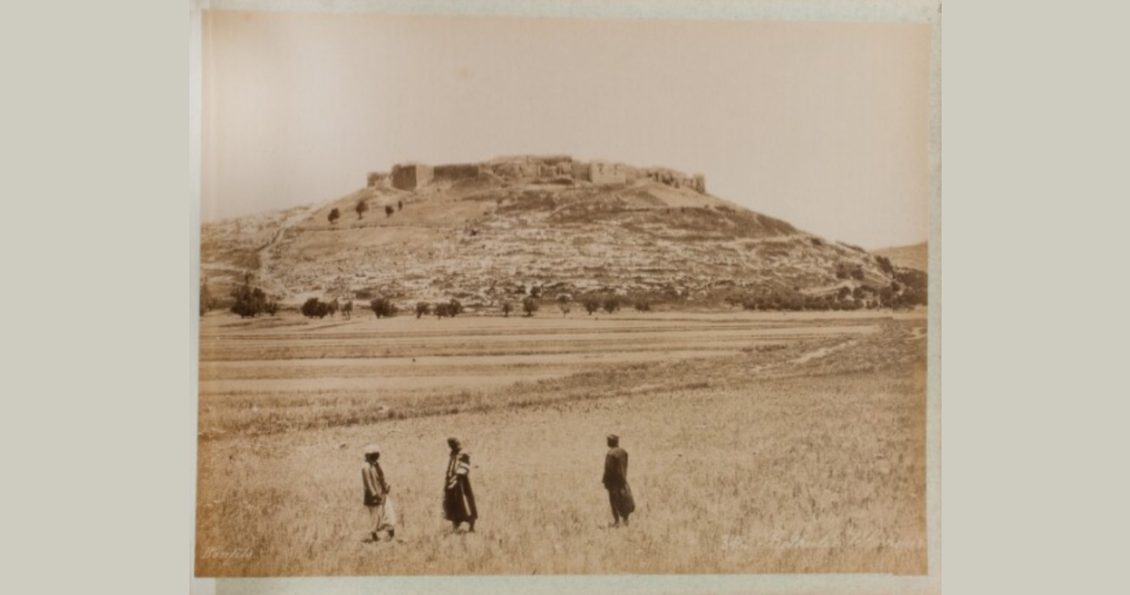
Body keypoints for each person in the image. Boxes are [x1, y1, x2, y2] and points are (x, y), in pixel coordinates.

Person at [362, 444, 396, 542]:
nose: (376, 456)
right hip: (373, 497)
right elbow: (368, 483)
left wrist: (385, 486)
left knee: (388, 513)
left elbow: (381, 477)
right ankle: (374, 535)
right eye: (373, 454)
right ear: (367, 455)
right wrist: (374, 495)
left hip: (382, 494)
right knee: (375, 516)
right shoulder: (366, 467)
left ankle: (390, 533)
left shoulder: (376, 465)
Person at [443, 438, 478, 532]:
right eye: (450, 445)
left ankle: (471, 526)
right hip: (451, 482)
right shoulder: (452, 453)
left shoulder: (464, 454)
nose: (451, 446)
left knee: (465, 502)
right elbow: (450, 466)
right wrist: (449, 479)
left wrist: (455, 477)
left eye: (452, 444)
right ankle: (455, 524)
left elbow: (464, 467)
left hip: (461, 483)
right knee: (453, 503)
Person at [602, 434, 635, 527]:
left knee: (613, 501)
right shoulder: (623, 452)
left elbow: (608, 469)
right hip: (623, 479)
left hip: (613, 482)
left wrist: (605, 481)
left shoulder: (610, 454)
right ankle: (626, 519)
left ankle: (616, 521)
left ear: (611, 442)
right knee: (624, 499)